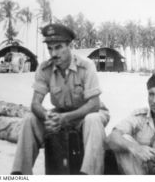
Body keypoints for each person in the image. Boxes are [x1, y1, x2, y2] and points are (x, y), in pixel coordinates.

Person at [11, 24, 110, 175]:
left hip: (87, 113)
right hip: (61, 114)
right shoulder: (45, 69)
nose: (53, 53)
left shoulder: (86, 66)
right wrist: (47, 116)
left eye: (58, 47)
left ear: (70, 46)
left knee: (93, 120)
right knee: (29, 119)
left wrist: (66, 118)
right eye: (50, 48)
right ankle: (20, 174)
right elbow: (35, 103)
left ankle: (90, 175)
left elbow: (94, 104)